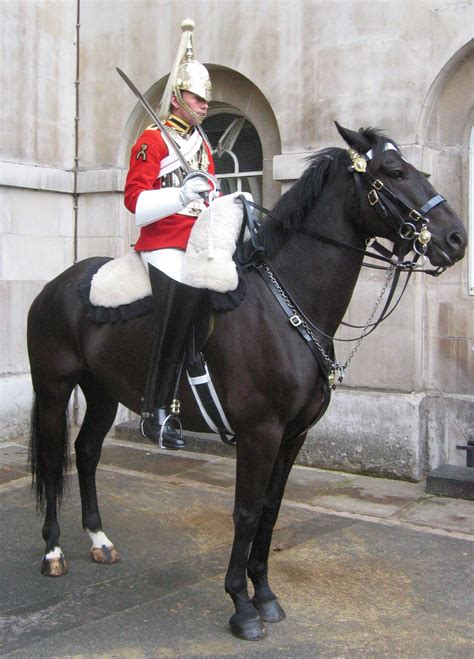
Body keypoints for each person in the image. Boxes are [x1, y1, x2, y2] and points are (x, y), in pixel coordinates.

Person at [124, 19, 217, 450]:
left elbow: (209, 197)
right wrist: (181, 193)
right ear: (178, 98)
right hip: (162, 242)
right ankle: (153, 410)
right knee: (175, 305)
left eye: (207, 100)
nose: (205, 106)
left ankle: (202, 384)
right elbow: (137, 205)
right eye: (198, 98)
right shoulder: (152, 141)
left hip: (197, 240)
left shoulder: (203, 144)